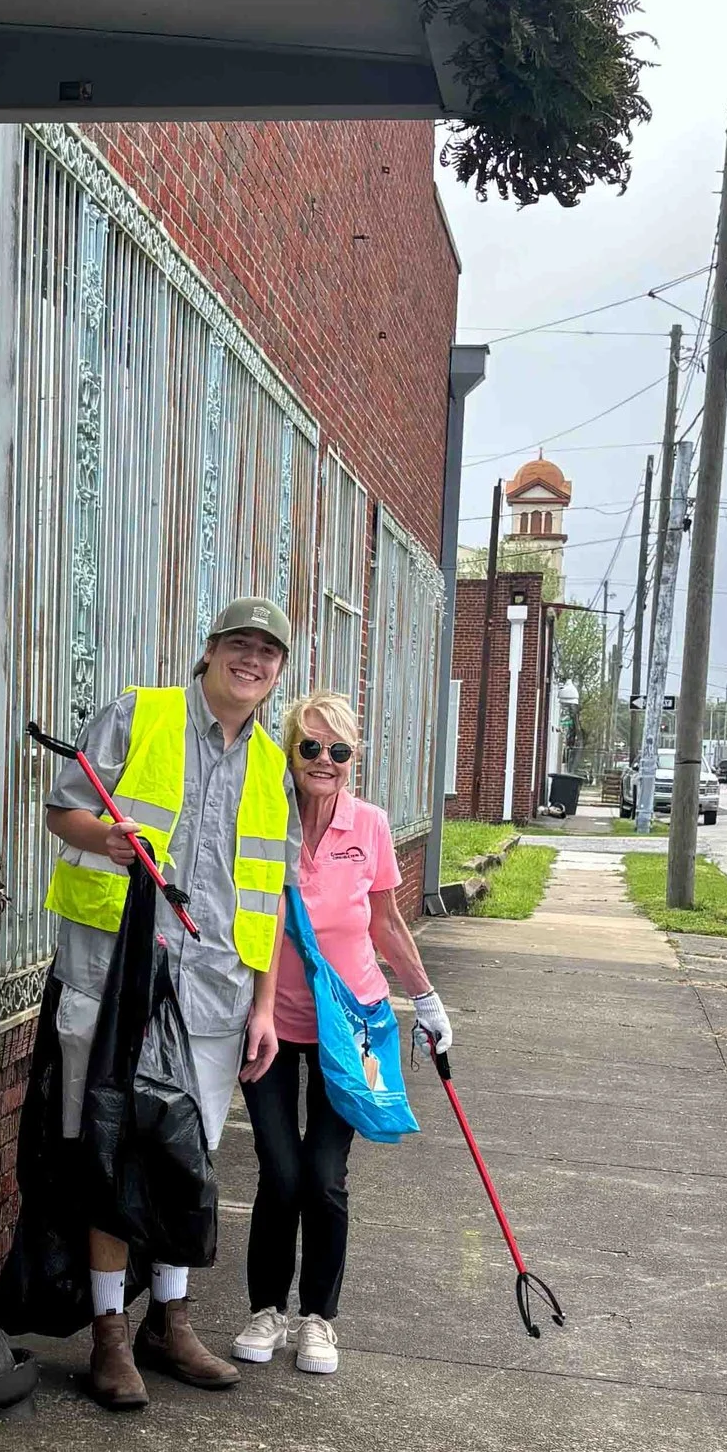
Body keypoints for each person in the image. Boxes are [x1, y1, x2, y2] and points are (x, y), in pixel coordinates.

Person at [44, 603, 293, 1408]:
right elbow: (63, 808)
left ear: (276, 672)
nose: (251, 662)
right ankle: (110, 1331)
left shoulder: (270, 764)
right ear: (211, 651)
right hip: (116, 979)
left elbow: (269, 895)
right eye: (239, 647)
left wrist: (264, 1005)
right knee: (110, 1151)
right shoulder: (139, 713)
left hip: (217, 994)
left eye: (267, 654)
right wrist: (105, 840)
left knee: (187, 1161)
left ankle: (171, 1321)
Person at [234, 688, 450, 1379]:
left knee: (325, 1177)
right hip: (271, 1020)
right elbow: (253, 912)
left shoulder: (372, 826)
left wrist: (427, 999)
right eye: (310, 747)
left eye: (338, 750)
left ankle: (318, 1317)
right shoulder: (267, 818)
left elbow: (385, 922)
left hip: (350, 1023)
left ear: (353, 758)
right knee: (281, 1169)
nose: (323, 761)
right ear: (290, 752)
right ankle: (267, 1307)